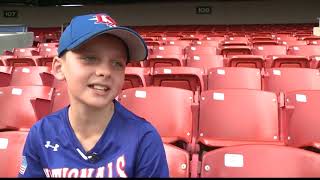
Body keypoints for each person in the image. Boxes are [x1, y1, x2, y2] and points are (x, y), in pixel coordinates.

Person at [18, 13, 169, 178]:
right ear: (59, 68)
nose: (105, 72)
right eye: (89, 58)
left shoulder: (144, 138)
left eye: (117, 63)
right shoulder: (41, 134)